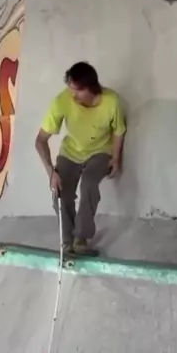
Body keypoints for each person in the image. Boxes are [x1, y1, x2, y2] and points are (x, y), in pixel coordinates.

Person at [35, 62, 126, 257]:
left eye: (78, 90)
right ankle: (67, 241)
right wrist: (51, 172)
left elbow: (119, 131)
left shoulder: (111, 101)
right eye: (70, 89)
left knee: (89, 184)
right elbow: (40, 140)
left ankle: (81, 239)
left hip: (100, 151)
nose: (73, 95)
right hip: (71, 152)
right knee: (61, 191)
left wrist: (116, 159)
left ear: (91, 87)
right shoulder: (62, 101)